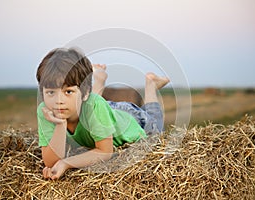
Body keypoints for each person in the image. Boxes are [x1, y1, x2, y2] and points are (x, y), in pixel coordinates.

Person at [36, 47, 170, 179]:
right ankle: (99, 77)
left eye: (68, 91)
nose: (58, 101)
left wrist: (66, 163)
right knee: (87, 105)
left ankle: (151, 84)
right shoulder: (46, 111)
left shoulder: (94, 105)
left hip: (132, 119)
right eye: (51, 92)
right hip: (100, 110)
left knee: (156, 127)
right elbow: (51, 162)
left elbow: (105, 152)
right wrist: (60, 125)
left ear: (85, 92)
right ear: (43, 93)